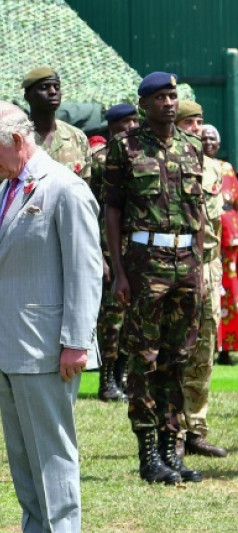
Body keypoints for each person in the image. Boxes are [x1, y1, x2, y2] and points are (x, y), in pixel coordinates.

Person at [0, 101, 100, 533]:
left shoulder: (65, 188)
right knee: (25, 462)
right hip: (8, 348)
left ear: (15, 140)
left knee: (52, 456)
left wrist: (76, 342)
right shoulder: (5, 190)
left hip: (47, 348)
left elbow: (86, 271)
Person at [105, 72, 205, 485]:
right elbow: (111, 211)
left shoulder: (192, 147)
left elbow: (198, 213)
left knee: (177, 358)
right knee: (144, 359)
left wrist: (199, 266)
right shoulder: (124, 148)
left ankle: (172, 448)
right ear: (143, 104)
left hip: (186, 261)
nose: (168, 103)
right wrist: (119, 272)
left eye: (172, 96)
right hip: (145, 262)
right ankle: (148, 453)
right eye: (160, 97)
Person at [174, 106, 228, 458]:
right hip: (177, 265)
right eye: (189, 123)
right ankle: (173, 431)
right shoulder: (168, 165)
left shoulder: (216, 170)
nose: (197, 128)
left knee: (204, 351)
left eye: (199, 122)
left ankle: (196, 429)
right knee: (176, 349)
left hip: (209, 267)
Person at [90, 103, 139, 402]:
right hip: (109, 251)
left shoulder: (141, 157)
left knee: (132, 318)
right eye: (126, 123)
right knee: (110, 319)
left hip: (138, 250)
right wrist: (98, 254)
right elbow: (90, 210)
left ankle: (123, 375)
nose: (132, 127)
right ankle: (107, 381)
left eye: (135, 121)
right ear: (112, 127)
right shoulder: (100, 161)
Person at [21, 67, 91, 181]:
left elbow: (84, 188)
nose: (53, 91)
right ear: (27, 96)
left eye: (56, 87)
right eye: (44, 87)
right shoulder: (14, 139)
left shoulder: (78, 137)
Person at [212, 124, 238, 365]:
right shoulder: (192, 165)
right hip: (207, 239)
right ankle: (210, 346)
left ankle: (228, 348)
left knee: (230, 292)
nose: (209, 142)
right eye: (204, 138)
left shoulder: (227, 168)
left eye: (213, 139)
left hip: (230, 238)